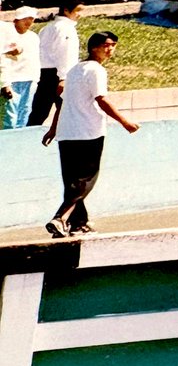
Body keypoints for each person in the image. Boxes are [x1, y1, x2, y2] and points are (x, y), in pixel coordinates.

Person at [40, 31, 139, 238]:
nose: (110, 49)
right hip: (88, 132)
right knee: (86, 180)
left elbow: (62, 102)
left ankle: (78, 224)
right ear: (94, 47)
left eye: (113, 45)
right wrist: (125, 122)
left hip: (68, 134)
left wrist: (54, 129)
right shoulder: (96, 71)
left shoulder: (75, 70)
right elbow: (101, 100)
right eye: (107, 45)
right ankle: (60, 218)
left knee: (73, 180)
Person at [28, 0, 83, 127]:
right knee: (67, 112)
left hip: (44, 73)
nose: (80, 14)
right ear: (66, 10)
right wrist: (64, 78)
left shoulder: (49, 27)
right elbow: (65, 54)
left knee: (39, 111)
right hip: (57, 75)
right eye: (78, 10)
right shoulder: (65, 29)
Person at [0, 6, 41, 130]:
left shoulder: (34, 37)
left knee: (24, 116)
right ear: (16, 20)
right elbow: (3, 60)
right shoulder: (6, 33)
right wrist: (4, 83)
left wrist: (35, 79)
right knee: (9, 119)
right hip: (12, 81)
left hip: (29, 80)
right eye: (24, 19)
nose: (28, 22)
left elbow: (35, 61)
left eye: (31, 19)